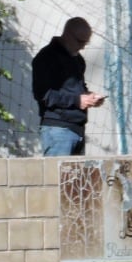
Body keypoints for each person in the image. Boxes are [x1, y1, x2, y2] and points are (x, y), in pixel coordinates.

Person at [32, 17, 105, 157]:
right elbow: (43, 94)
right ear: (68, 35)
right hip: (58, 129)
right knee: (58, 177)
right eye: (80, 41)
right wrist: (78, 100)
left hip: (77, 128)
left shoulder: (77, 59)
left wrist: (89, 97)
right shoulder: (46, 57)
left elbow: (76, 90)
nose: (83, 46)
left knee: (75, 178)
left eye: (86, 42)